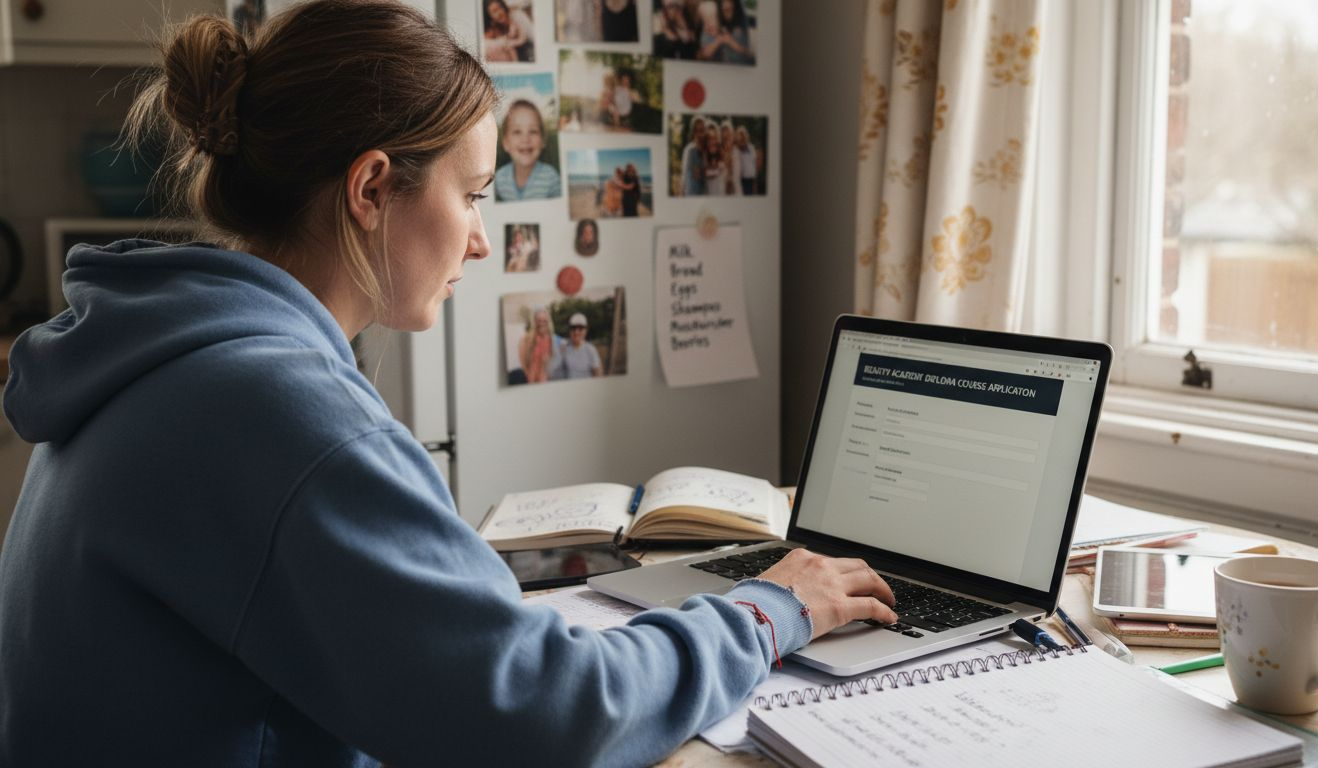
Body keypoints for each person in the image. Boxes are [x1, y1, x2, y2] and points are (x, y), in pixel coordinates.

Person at [0, 2, 898, 766]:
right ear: (372, 188)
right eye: (472, 195)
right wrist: (771, 610)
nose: (478, 239)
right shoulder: (277, 414)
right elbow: (543, 717)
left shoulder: (165, 350)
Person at [495, 100, 561, 201]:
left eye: (533, 131)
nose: (525, 139)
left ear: (543, 140)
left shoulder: (551, 178)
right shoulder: (499, 179)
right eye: (517, 132)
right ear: (506, 143)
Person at [518, 306, 561, 381]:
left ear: (548, 322)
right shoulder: (525, 340)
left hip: (548, 381)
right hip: (531, 381)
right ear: (534, 322)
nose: (542, 324)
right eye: (539, 320)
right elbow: (524, 365)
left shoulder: (553, 340)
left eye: (544, 321)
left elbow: (557, 361)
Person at [555, 312, 603, 379]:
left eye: (580, 328)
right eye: (573, 328)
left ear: (586, 330)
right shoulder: (564, 348)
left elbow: (598, 375)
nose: (576, 332)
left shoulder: (591, 350)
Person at [717, 0, 754, 65]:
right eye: (723, 11)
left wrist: (731, 42)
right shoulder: (721, 23)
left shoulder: (741, 24)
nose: (726, 14)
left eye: (728, 10)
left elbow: (748, 53)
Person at [679, 116, 707, 196]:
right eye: (696, 130)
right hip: (691, 193)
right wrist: (681, 193)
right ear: (693, 132)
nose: (699, 134)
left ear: (705, 131)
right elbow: (684, 174)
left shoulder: (708, 149)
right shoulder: (689, 149)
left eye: (701, 130)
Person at [736, 124, 759, 195]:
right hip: (740, 181)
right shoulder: (736, 150)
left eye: (744, 135)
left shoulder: (751, 148)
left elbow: (754, 165)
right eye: (740, 135)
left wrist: (755, 184)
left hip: (751, 181)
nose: (742, 137)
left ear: (747, 136)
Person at [704, 125, 727, 195]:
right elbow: (707, 174)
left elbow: (723, 172)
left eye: (714, 138)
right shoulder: (704, 154)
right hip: (709, 193)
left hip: (720, 191)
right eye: (709, 139)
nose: (712, 141)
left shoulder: (721, 153)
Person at [719, 119, 739, 196]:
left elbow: (737, 173)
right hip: (720, 190)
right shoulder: (718, 152)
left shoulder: (736, 151)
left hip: (735, 190)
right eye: (723, 132)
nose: (726, 136)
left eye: (728, 135)